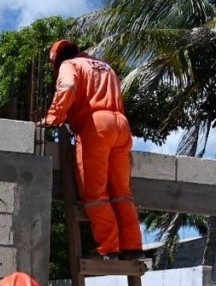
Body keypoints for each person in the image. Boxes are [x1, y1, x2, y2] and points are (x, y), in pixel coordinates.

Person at [38, 39, 144, 261]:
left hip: (97, 126)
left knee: (95, 192)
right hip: (121, 125)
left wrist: (51, 119)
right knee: (122, 193)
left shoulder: (70, 65)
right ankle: (133, 247)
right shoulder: (105, 66)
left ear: (57, 60)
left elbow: (67, 88)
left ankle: (109, 249)